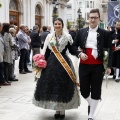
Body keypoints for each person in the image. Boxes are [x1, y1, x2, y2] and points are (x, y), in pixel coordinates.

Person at [33, 18, 80, 119]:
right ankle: (56, 109)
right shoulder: (49, 37)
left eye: (59, 24)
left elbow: (72, 50)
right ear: (53, 25)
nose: (57, 25)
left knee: (62, 86)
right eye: (56, 24)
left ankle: (62, 110)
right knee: (53, 86)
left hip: (64, 64)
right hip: (51, 64)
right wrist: (41, 62)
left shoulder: (68, 36)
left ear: (62, 25)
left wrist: (79, 53)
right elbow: (47, 52)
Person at [71, 9, 112, 120]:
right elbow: (73, 47)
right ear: (88, 18)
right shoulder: (81, 32)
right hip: (84, 65)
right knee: (84, 90)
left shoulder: (105, 33)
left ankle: (91, 115)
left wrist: (109, 66)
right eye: (91, 17)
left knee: (96, 89)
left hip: (98, 66)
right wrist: (79, 53)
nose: (92, 19)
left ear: (99, 19)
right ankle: (92, 103)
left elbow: (110, 49)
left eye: (95, 17)